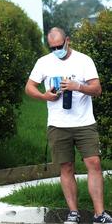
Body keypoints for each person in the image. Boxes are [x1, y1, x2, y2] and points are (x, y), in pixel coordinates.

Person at [25, 27, 111, 224]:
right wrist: (44, 96)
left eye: (59, 46)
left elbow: (97, 89)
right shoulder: (43, 62)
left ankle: (100, 214)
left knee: (94, 164)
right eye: (52, 47)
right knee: (66, 167)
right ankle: (73, 212)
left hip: (84, 122)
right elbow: (29, 87)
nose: (56, 50)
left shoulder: (84, 60)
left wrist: (77, 86)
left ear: (68, 41)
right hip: (58, 124)